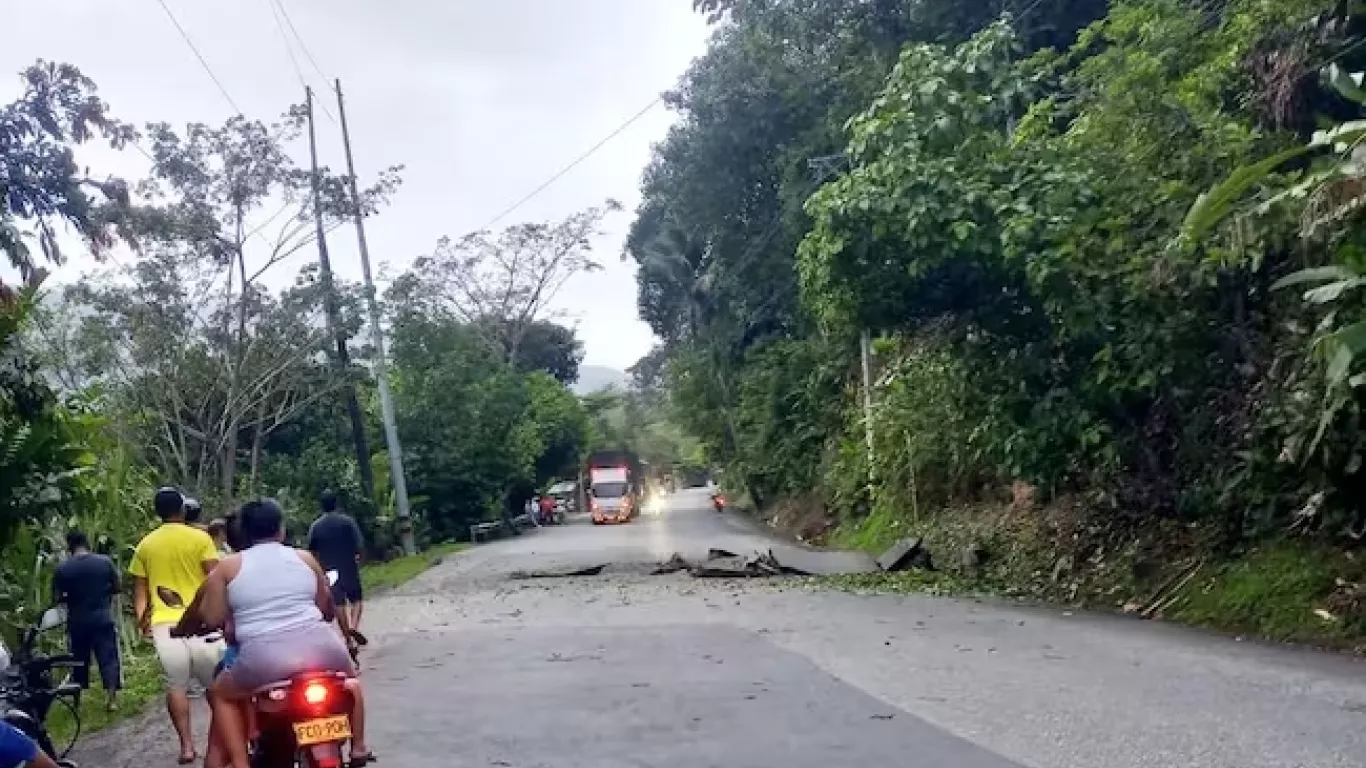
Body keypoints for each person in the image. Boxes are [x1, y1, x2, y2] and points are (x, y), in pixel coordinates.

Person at [198, 499, 372, 768]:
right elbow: (325, 604)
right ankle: (359, 748)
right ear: (281, 529)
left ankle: (241, 762)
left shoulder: (227, 568)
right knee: (350, 682)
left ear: (244, 532)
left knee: (221, 693)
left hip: (263, 659)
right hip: (323, 647)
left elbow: (212, 617)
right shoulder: (304, 557)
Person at [130, 486, 225, 765]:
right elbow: (216, 577)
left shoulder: (145, 545)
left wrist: (141, 621)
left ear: (157, 512)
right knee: (215, 686)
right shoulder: (200, 538)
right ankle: (221, 742)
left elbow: (140, 591)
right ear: (182, 510)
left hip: (165, 624)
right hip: (202, 621)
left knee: (176, 685)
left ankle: (186, 747)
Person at [50, 529, 122, 712]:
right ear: (87, 542)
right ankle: (112, 699)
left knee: (79, 661)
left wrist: (71, 598)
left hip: (78, 621)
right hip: (102, 617)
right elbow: (117, 587)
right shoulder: (104, 562)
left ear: (69, 546)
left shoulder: (63, 569)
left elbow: (57, 598)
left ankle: (77, 702)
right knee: (108, 657)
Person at [306, 490, 366, 633]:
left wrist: (318, 569)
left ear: (321, 506)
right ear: (336, 503)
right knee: (356, 600)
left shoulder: (315, 527)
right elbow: (360, 545)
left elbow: (312, 551)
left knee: (338, 603)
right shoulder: (348, 522)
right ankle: (353, 626)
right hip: (349, 565)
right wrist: (360, 558)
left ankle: (347, 637)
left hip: (329, 570)